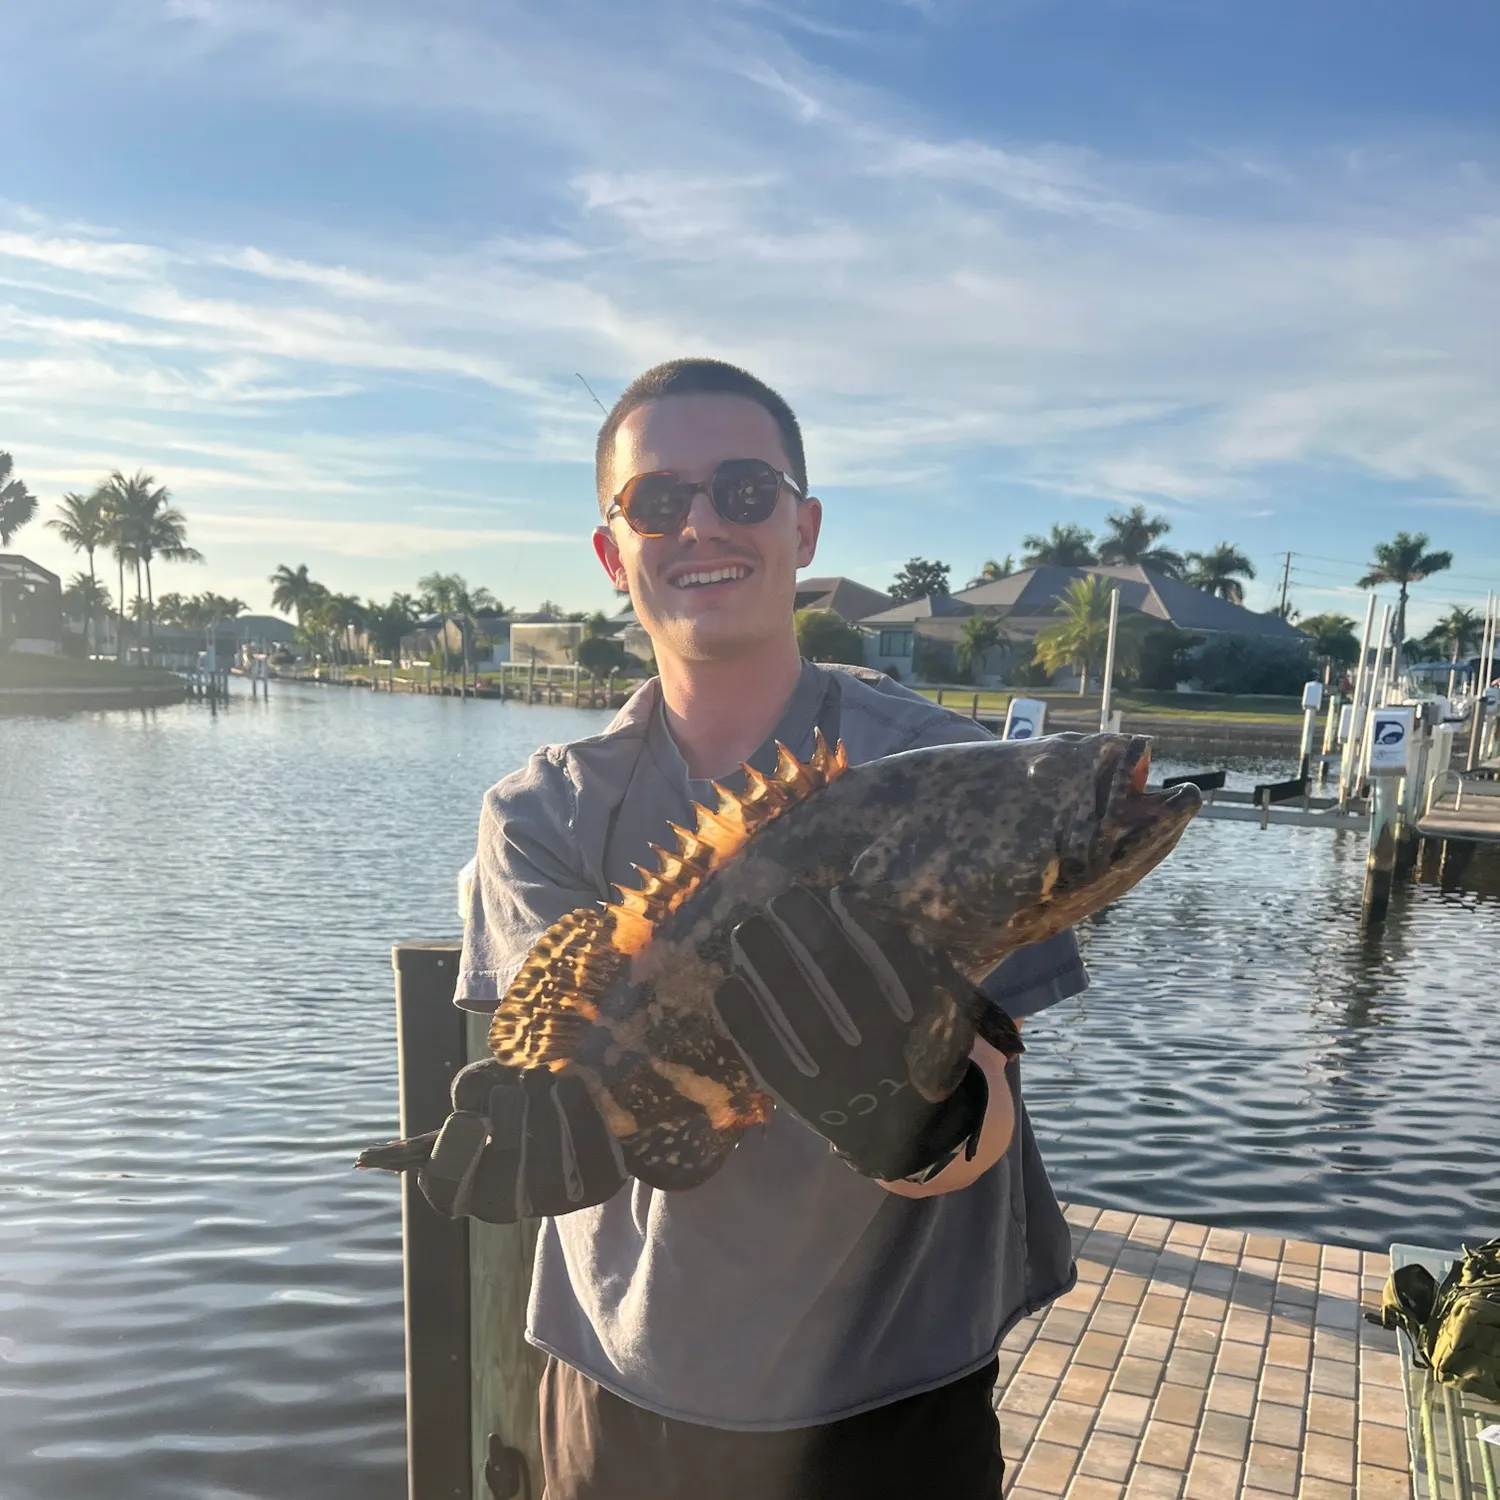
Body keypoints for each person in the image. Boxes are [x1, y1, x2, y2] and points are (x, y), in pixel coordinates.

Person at [440, 358, 1087, 1499]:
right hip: (619, 1389)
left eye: (743, 490)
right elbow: (555, 1060)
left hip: (890, 1398)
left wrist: (920, 1127)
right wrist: (539, 1134)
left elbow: (988, 1109)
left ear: (804, 528)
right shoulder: (542, 813)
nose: (700, 523)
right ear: (612, 550)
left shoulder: (944, 775)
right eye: (655, 500)